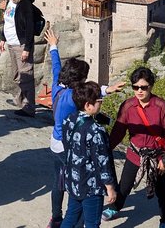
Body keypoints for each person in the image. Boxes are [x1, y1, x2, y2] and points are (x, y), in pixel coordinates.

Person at [44, 29, 125, 228]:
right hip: (68, 145)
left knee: (59, 182)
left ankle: (56, 217)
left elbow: (56, 66)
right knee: (79, 180)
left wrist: (53, 46)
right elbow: (87, 96)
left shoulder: (58, 85)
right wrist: (106, 90)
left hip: (55, 142)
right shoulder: (74, 97)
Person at [102, 67, 165, 228]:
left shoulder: (162, 107)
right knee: (125, 185)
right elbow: (118, 131)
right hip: (135, 154)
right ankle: (115, 207)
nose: (139, 91)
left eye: (144, 87)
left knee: (162, 191)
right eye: (136, 87)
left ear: (151, 86)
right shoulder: (128, 106)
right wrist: (106, 149)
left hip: (157, 156)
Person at [61, 82, 117, 228]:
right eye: (99, 101)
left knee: (71, 216)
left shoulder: (69, 120)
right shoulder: (96, 131)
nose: (101, 103)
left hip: (73, 179)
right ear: (88, 105)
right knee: (92, 223)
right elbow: (102, 161)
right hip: (92, 185)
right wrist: (110, 187)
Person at [0, 0, 36, 117]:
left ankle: (29, 107)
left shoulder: (24, 3)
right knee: (16, 75)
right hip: (11, 44)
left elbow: (30, 27)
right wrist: (3, 38)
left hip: (21, 45)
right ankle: (21, 101)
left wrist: (27, 48)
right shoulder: (10, 1)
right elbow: (7, 22)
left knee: (26, 75)